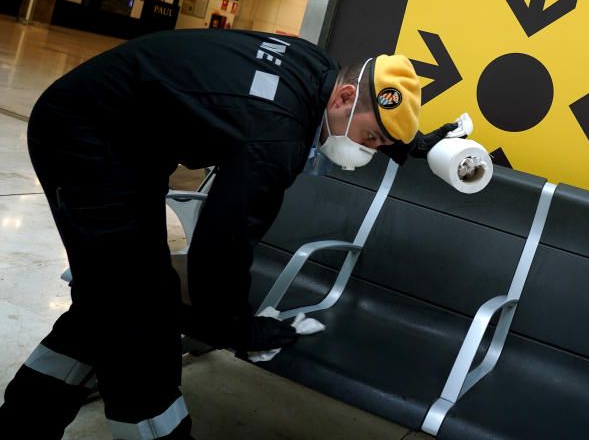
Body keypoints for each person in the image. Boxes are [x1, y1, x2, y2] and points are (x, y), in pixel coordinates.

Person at [0, 29, 456, 439]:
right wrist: (239, 329)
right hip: (85, 136)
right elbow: (222, 246)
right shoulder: (275, 138)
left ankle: (23, 422)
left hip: (126, 142)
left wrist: (414, 144)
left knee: (109, 298)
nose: (368, 152)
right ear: (343, 99)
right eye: (371, 138)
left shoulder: (316, 68)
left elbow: (372, 113)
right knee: (141, 313)